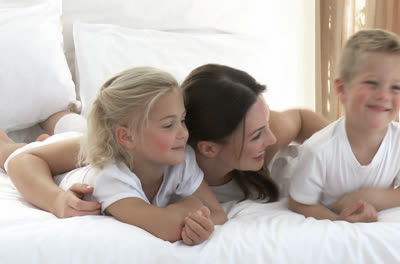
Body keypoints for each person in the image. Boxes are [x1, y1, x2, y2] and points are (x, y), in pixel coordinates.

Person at [3, 63, 329, 218]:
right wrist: (57, 201)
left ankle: (57, 119)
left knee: (67, 126)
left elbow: (302, 118)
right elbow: (26, 162)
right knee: (30, 145)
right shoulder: (150, 151)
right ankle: (51, 121)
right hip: (89, 139)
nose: (270, 138)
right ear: (208, 148)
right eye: (258, 135)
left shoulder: (264, 137)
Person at [4, 67, 227, 245]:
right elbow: (167, 227)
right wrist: (56, 200)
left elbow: (217, 213)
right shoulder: (110, 177)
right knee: (9, 153)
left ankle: (50, 131)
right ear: (127, 137)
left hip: (82, 146)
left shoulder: (180, 159)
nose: (183, 133)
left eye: (183, 119)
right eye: (169, 125)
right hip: (71, 161)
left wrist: (200, 223)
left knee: (69, 133)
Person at [288, 29, 400, 223]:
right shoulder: (317, 150)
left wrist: (368, 197)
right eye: (372, 83)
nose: (383, 96)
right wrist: (340, 221)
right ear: (342, 89)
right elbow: (300, 203)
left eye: (395, 87)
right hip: (289, 173)